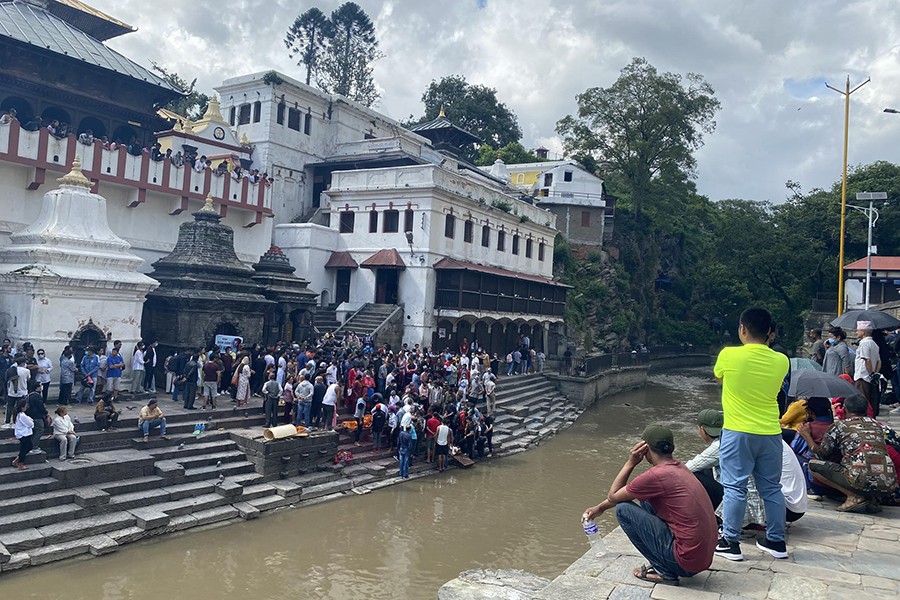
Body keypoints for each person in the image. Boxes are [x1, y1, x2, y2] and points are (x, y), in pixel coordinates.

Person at [581, 425, 717, 586]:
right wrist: (600, 508)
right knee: (646, 500)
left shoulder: (657, 475)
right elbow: (626, 493)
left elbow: (614, 495)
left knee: (623, 510)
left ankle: (664, 572)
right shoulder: (679, 468)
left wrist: (630, 463)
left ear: (645, 449)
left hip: (685, 563)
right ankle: (668, 561)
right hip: (701, 560)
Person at [713, 307, 790, 561]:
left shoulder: (728, 355)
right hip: (770, 432)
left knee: (735, 486)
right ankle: (776, 542)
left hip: (738, 432)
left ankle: (730, 542)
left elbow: (719, 378)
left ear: (742, 329)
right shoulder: (782, 360)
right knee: (771, 488)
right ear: (770, 332)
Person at [798, 394, 900, 513]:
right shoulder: (878, 425)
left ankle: (853, 496)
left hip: (858, 479)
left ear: (845, 408)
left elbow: (821, 454)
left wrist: (806, 436)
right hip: (889, 483)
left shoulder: (840, 426)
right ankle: (870, 498)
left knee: (813, 465)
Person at [685, 409, 725, 510]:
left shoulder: (718, 446)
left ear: (702, 429)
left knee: (693, 475)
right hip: (745, 490)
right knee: (705, 469)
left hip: (731, 494)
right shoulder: (727, 437)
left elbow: (688, 468)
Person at [854, 321, 882, 418]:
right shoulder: (874, 343)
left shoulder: (864, 343)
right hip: (871, 377)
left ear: (863, 332)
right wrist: (875, 373)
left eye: (858, 331)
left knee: (863, 402)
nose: (856, 333)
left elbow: (867, 360)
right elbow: (879, 361)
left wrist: (870, 373)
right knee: (871, 402)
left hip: (863, 377)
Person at [5, 357, 28, 428]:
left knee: (9, 407)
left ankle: (7, 422)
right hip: (22, 392)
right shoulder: (26, 371)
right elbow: (28, 378)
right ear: (23, 363)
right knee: (20, 408)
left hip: (11, 392)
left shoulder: (11, 370)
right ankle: (18, 421)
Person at [12, 398, 34, 470]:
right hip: (23, 434)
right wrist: (31, 420)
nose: (27, 406)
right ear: (22, 407)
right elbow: (30, 424)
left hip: (23, 434)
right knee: (23, 449)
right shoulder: (22, 415)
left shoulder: (20, 415)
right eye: (25, 405)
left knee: (29, 447)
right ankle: (20, 464)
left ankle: (16, 460)